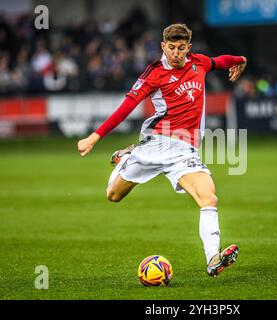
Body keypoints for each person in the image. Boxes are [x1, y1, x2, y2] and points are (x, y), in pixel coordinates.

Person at [77, 23, 247, 276]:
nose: (176, 53)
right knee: (113, 196)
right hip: (155, 146)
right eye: (171, 48)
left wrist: (239, 60)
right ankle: (128, 155)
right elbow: (127, 106)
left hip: (184, 151)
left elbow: (219, 62)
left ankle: (213, 257)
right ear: (162, 46)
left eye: (181, 48)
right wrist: (95, 137)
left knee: (208, 198)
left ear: (188, 48)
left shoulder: (197, 62)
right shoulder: (153, 73)